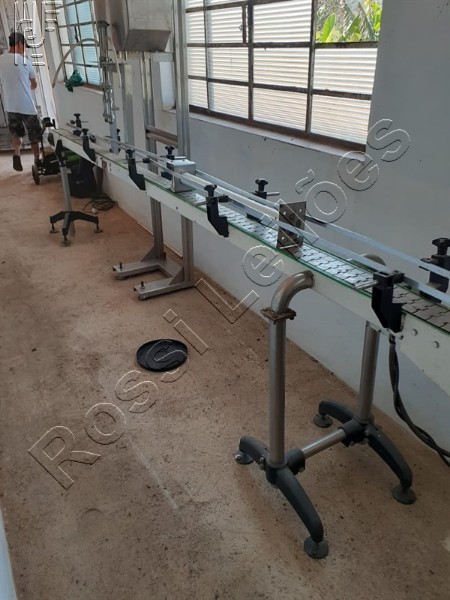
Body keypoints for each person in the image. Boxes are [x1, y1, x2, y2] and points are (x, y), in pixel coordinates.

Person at [0, 32, 42, 172]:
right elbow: (34, 84)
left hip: (11, 105)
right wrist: (29, 86)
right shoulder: (25, 62)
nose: (24, 49)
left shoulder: (1, 60)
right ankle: (37, 160)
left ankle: (17, 154)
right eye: (24, 46)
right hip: (27, 106)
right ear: (19, 44)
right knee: (34, 135)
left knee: (16, 133)